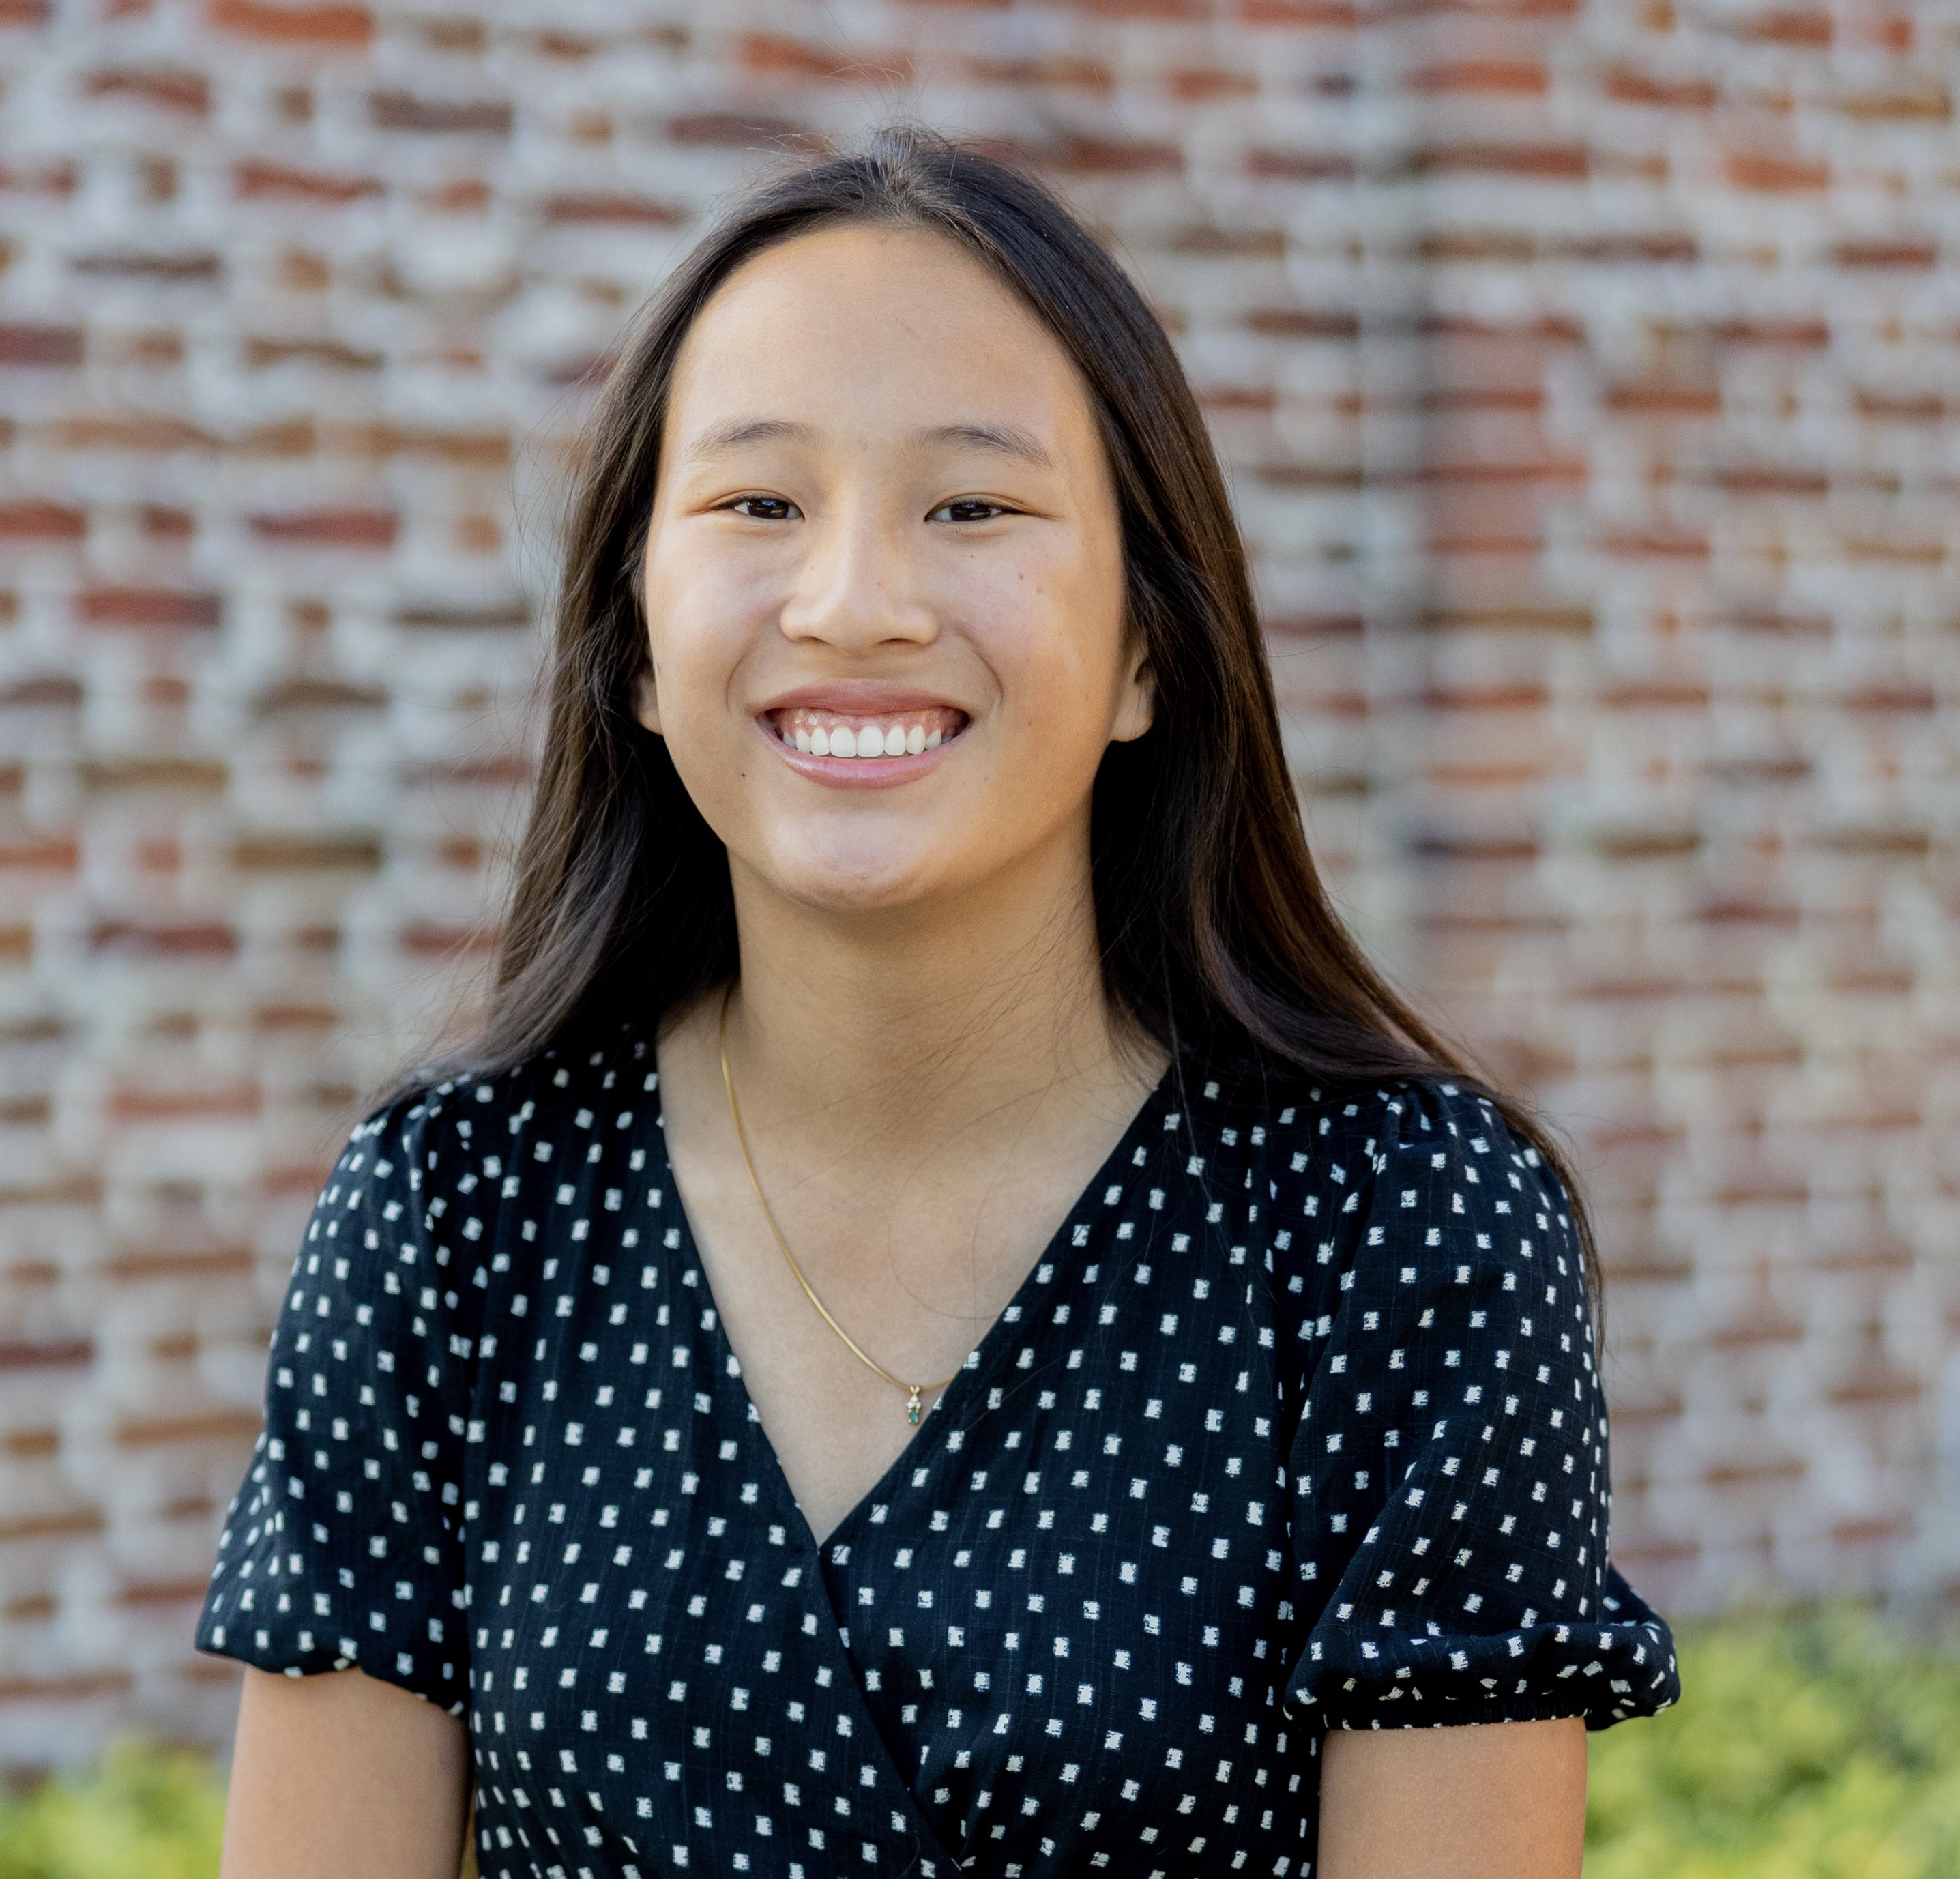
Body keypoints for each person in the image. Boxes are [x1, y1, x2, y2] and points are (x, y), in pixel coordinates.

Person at [202, 126, 1676, 1879]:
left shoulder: (1395, 1234)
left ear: (1148, 649)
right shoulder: (458, 1216)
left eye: (969, 504)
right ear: (638, 648)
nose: (853, 604)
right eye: (758, 503)